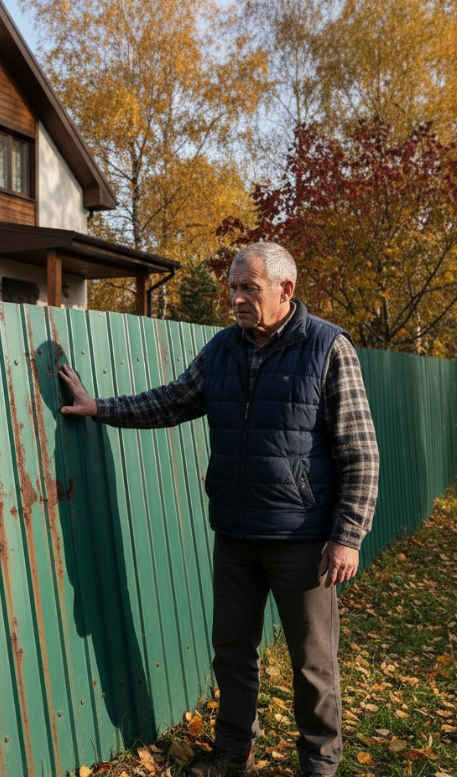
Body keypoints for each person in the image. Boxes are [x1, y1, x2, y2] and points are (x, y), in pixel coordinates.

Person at [58, 242, 379, 777]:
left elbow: (359, 450)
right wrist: (100, 408)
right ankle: (232, 753)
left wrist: (348, 534)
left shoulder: (327, 347)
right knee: (232, 649)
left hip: (303, 540)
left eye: (248, 288)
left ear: (285, 290)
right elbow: (171, 400)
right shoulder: (223, 349)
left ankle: (320, 765)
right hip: (234, 531)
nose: (235, 298)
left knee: (312, 662)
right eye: (232, 287)